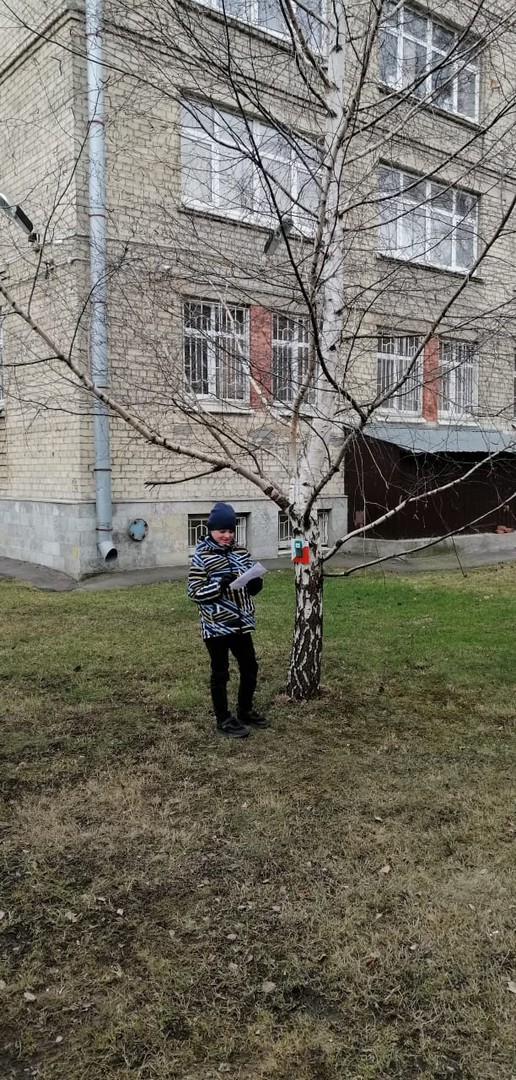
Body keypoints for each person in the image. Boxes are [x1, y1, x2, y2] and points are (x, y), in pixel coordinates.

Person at [188, 502, 268, 738]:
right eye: (222, 531)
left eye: (231, 531)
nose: (227, 535)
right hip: (216, 625)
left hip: (241, 623)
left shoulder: (241, 552)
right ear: (211, 529)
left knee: (250, 667)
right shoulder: (201, 556)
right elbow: (194, 592)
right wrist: (218, 586)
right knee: (220, 672)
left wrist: (255, 584)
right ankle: (223, 718)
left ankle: (245, 710)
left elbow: (250, 583)